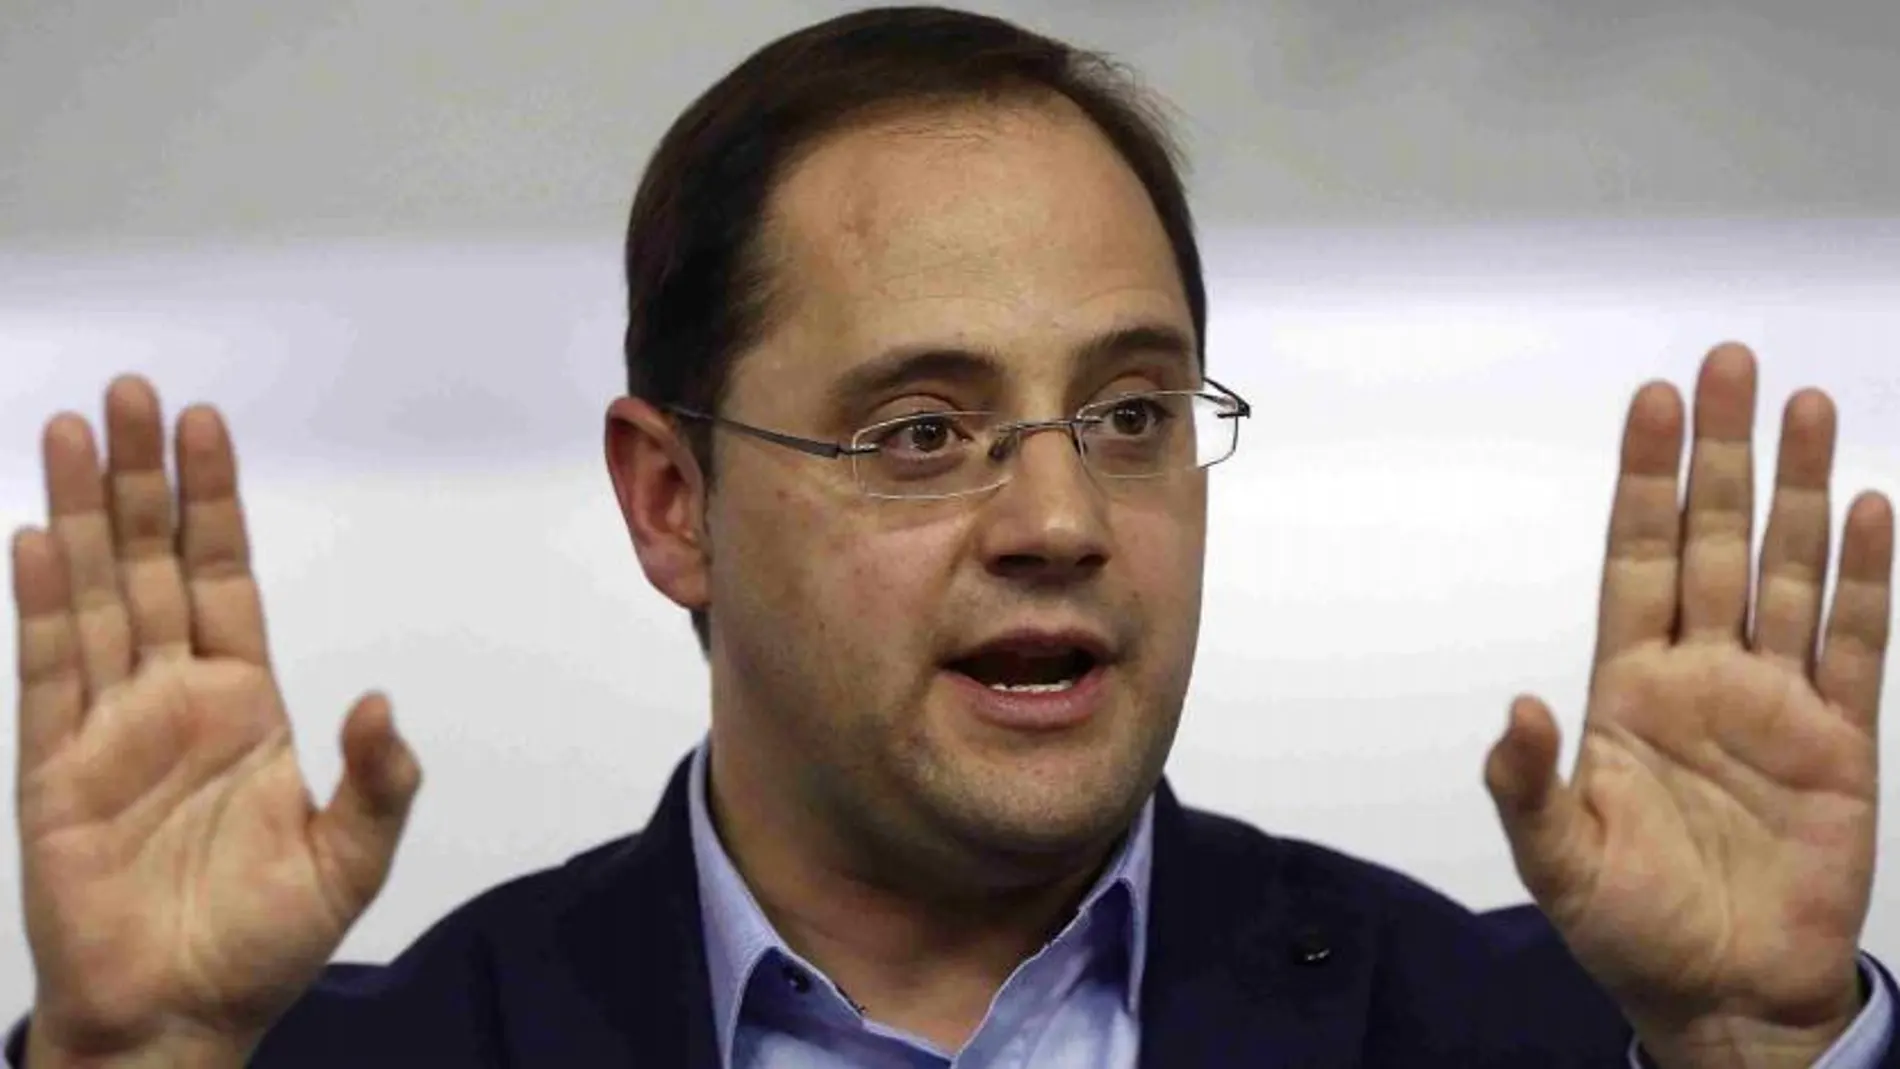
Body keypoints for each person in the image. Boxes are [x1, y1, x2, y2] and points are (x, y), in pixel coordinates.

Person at [7, 6, 1896, 1068]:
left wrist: (1755, 1044)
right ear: (676, 505)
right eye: (923, 433)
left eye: (1135, 417)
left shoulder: (1561, 1052)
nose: (1065, 518)